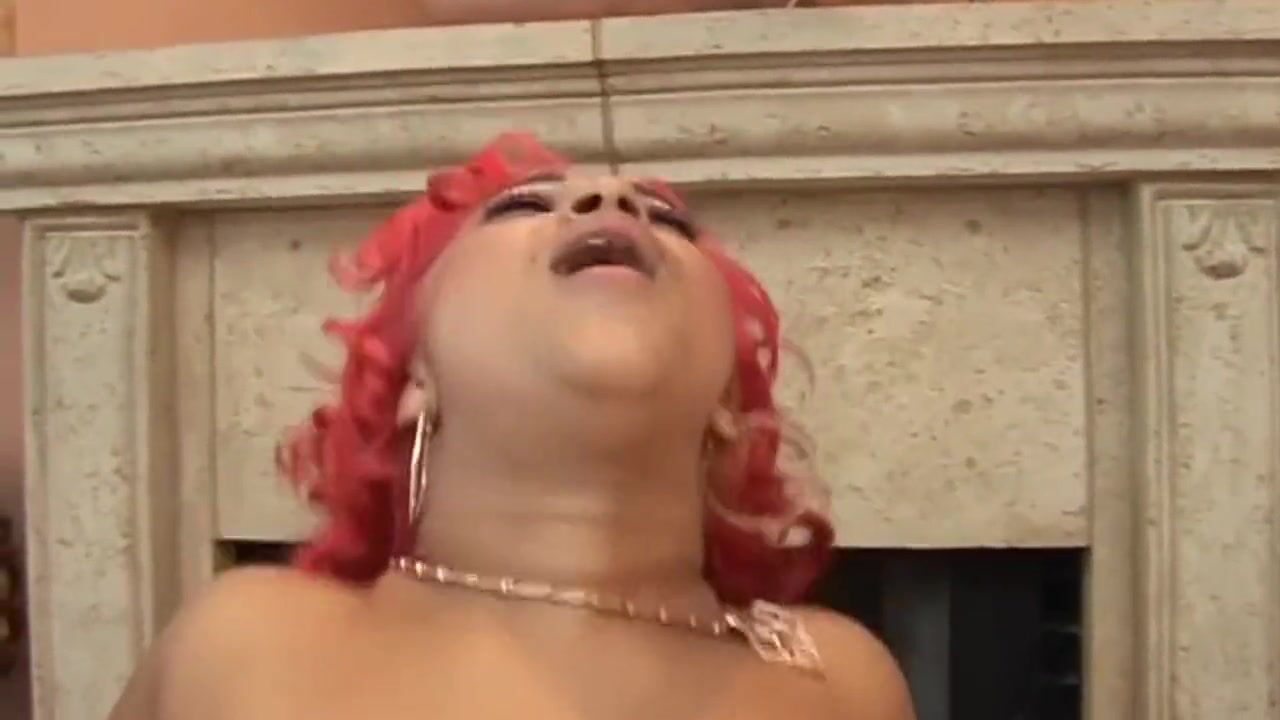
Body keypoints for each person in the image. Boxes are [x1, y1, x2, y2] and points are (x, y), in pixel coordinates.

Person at [107, 134, 915, 720]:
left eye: (669, 222)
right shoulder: (247, 640)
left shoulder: (841, 682)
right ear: (413, 376)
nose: (613, 200)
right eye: (523, 206)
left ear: (728, 402)